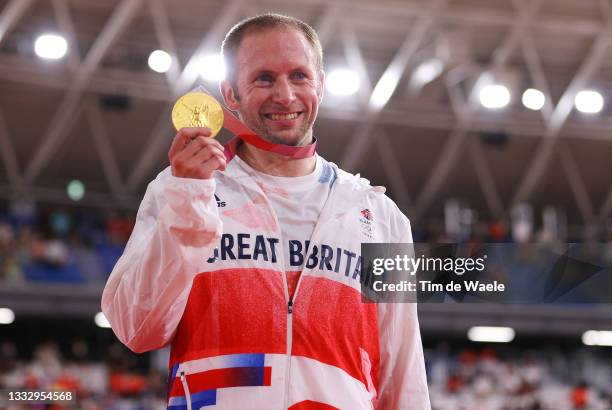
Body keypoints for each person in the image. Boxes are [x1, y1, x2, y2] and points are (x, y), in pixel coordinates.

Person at [102, 13, 430, 410]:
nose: (285, 95)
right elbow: (138, 329)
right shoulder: (181, 189)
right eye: (263, 78)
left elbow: (403, 372)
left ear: (321, 85)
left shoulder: (381, 217)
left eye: (299, 76)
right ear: (231, 95)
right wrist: (188, 200)